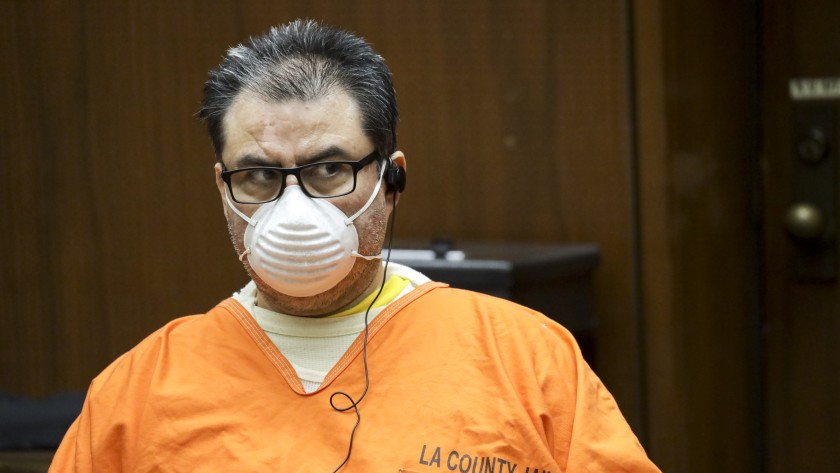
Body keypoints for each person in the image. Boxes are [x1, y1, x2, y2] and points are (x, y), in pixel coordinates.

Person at [49, 19, 660, 473]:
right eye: (258, 176)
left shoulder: (523, 359)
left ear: (391, 181)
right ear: (222, 185)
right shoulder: (139, 391)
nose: (292, 208)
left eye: (329, 170)